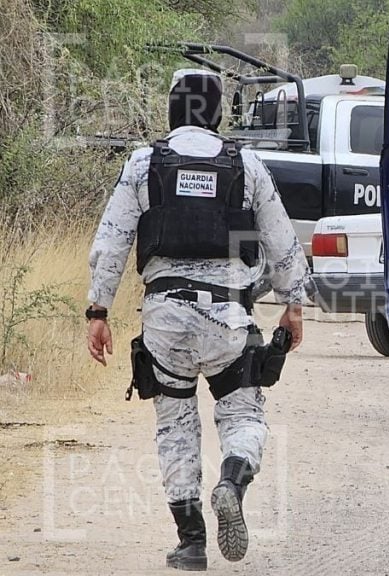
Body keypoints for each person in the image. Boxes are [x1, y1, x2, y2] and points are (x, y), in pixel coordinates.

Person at [85, 69, 308, 570]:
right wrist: (293, 306)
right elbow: (283, 243)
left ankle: (191, 543)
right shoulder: (246, 165)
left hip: (165, 316)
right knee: (244, 414)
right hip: (228, 315)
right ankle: (230, 481)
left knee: (175, 426)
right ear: (216, 113)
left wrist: (98, 311)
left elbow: (111, 243)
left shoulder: (144, 164)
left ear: (173, 109)